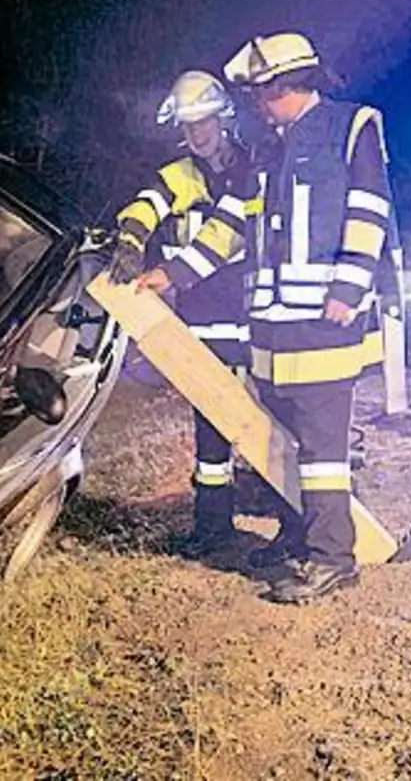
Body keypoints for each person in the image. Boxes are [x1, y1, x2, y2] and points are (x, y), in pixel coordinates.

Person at [137, 32, 393, 602]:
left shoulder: (351, 127)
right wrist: (171, 274)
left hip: (324, 321)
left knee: (322, 450)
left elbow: (369, 208)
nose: (256, 103)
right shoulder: (268, 151)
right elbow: (231, 227)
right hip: (272, 329)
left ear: (286, 85)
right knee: (281, 442)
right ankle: (295, 537)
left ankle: (332, 558)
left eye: (261, 92)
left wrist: (349, 286)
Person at [109, 69, 261, 555]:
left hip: (254, 320)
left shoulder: (253, 169)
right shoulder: (180, 174)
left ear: (223, 118)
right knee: (211, 429)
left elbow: (226, 236)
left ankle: (290, 521)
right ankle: (213, 527)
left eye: (204, 121)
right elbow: (146, 204)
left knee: (270, 424)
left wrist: (170, 274)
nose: (197, 133)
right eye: (188, 124)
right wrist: (131, 242)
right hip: (202, 322)